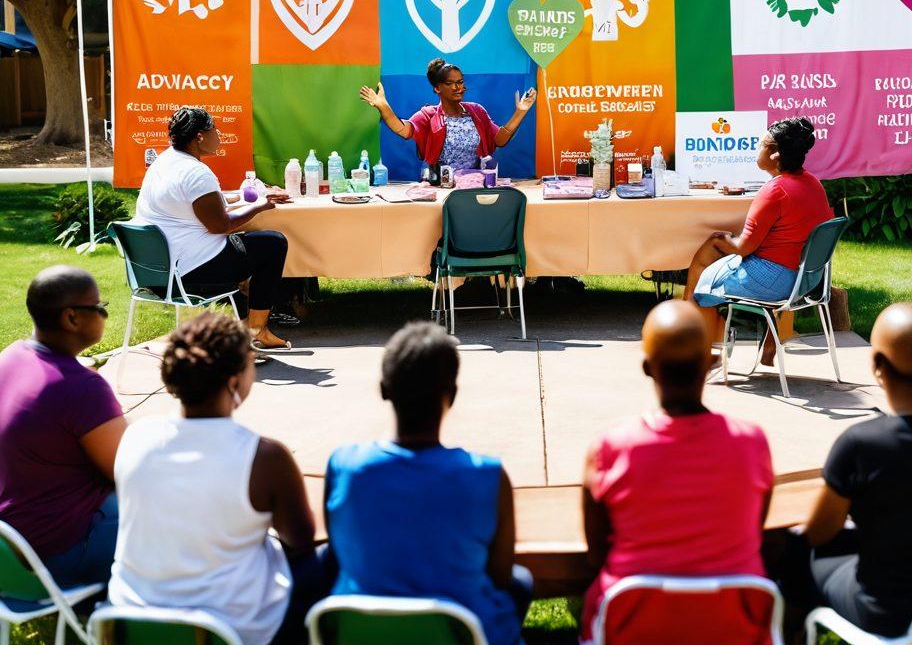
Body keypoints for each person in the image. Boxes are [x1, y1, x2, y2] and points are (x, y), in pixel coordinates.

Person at [108, 311, 324, 645]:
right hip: (232, 628)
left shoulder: (135, 436)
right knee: (323, 563)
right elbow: (301, 540)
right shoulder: (265, 457)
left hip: (133, 620)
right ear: (235, 380)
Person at [789, 304, 912, 637]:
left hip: (892, 611)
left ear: (878, 364)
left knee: (799, 557)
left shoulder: (861, 443)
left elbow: (820, 532)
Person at [324, 322, 532, 645]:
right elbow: (500, 575)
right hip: (463, 632)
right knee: (521, 583)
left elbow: (340, 554)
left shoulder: (344, 466)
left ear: (383, 389)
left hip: (362, 633)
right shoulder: (488, 475)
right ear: (452, 394)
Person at [581, 299, 773, 643]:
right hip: (732, 626)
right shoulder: (752, 442)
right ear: (709, 364)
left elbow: (597, 552)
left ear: (648, 368)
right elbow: (754, 531)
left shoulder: (610, 447)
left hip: (633, 624)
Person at [0, 266, 125, 585]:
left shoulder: (11, 357)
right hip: (55, 552)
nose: (103, 315)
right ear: (72, 318)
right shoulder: (82, 388)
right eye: (99, 308)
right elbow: (127, 470)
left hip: (10, 547)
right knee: (165, 505)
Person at [133, 106, 292, 350]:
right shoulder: (195, 172)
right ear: (200, 137)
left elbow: (205, 202)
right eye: (214, 130)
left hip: (156, 272)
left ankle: (245, 325)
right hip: (190, 271)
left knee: (250, 247)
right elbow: (220, 225)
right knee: (273, 243)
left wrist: (252, 195)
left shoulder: (164, 162)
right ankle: (256, 330)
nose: (219, 136)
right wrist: (262, 205)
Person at [685, 116, 833, 364]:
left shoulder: (774, 191)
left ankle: (697, 349)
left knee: (702, 280)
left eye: (761, 144)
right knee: (713, 253)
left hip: (777, 280)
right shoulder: (813, 183)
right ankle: (766, 341)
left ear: (775, 154)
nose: (757, 148)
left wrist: (721, 240)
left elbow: (744, 248)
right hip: (807, 279)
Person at [359, 58, 536, 172]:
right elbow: (403, 130)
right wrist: (384, 107)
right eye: (450, 83)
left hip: (472, 183)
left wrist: (520, 112)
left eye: (460, 82)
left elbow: (500, 140)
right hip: (438, 185)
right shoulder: (428, 115)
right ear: (437, 88)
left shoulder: (477, 111)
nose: (457, 87)